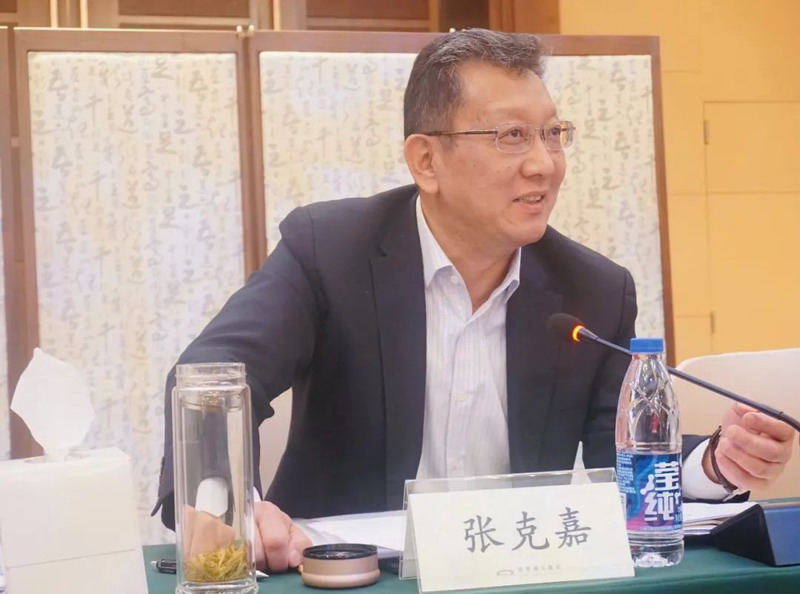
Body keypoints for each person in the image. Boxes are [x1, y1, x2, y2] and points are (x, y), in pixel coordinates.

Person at [153, 29, 795, 572]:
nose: (545, 165)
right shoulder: (332, 251)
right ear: (426, 161)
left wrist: (715, 464)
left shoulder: (593, 289)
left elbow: (620, 453)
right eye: (512, 136)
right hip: (345, 576)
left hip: (514, 571)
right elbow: (209, 378)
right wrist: (230, 511)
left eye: (553, 134)